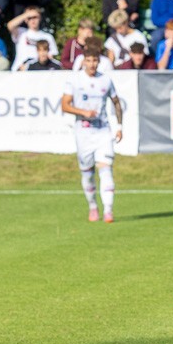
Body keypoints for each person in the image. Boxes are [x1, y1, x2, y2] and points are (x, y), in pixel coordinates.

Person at [60, 46, 125, 223]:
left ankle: (108, 211)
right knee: (87, 173)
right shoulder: (74, 80)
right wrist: (82, 112)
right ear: (83, 62)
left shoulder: (106, 80)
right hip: (83, 131)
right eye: (88, 61)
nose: (92, 64)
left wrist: (119, 126)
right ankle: (93, 206)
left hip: (103, 130)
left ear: (99, 61)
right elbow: (64, 105)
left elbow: (117, 103)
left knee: (105, 169)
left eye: (95, 60)